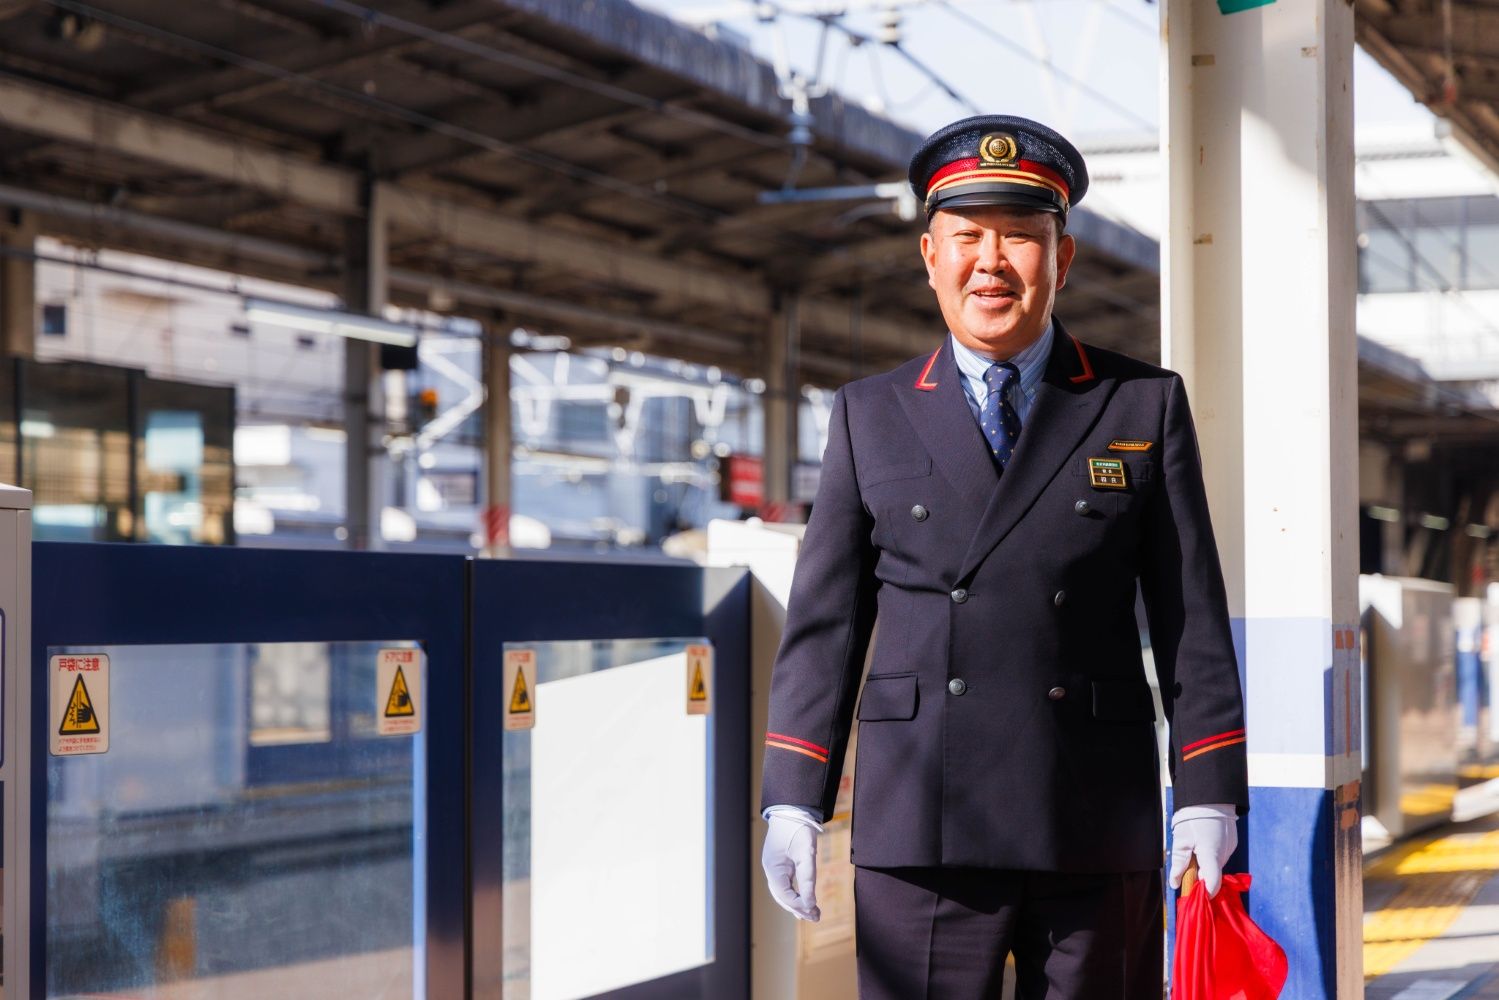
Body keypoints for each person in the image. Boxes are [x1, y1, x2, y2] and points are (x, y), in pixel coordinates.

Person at [758, 115, 1248, 999]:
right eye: (967, 240)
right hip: (922, 826)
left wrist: (1209, 791)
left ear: (1061, 261)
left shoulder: (1140, 403)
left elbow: (1190, 619)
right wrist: (793, 795)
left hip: (1093, 817)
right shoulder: (869, 413)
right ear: (930, 255)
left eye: (1020, 239)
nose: (992, 263)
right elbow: (824, 628)